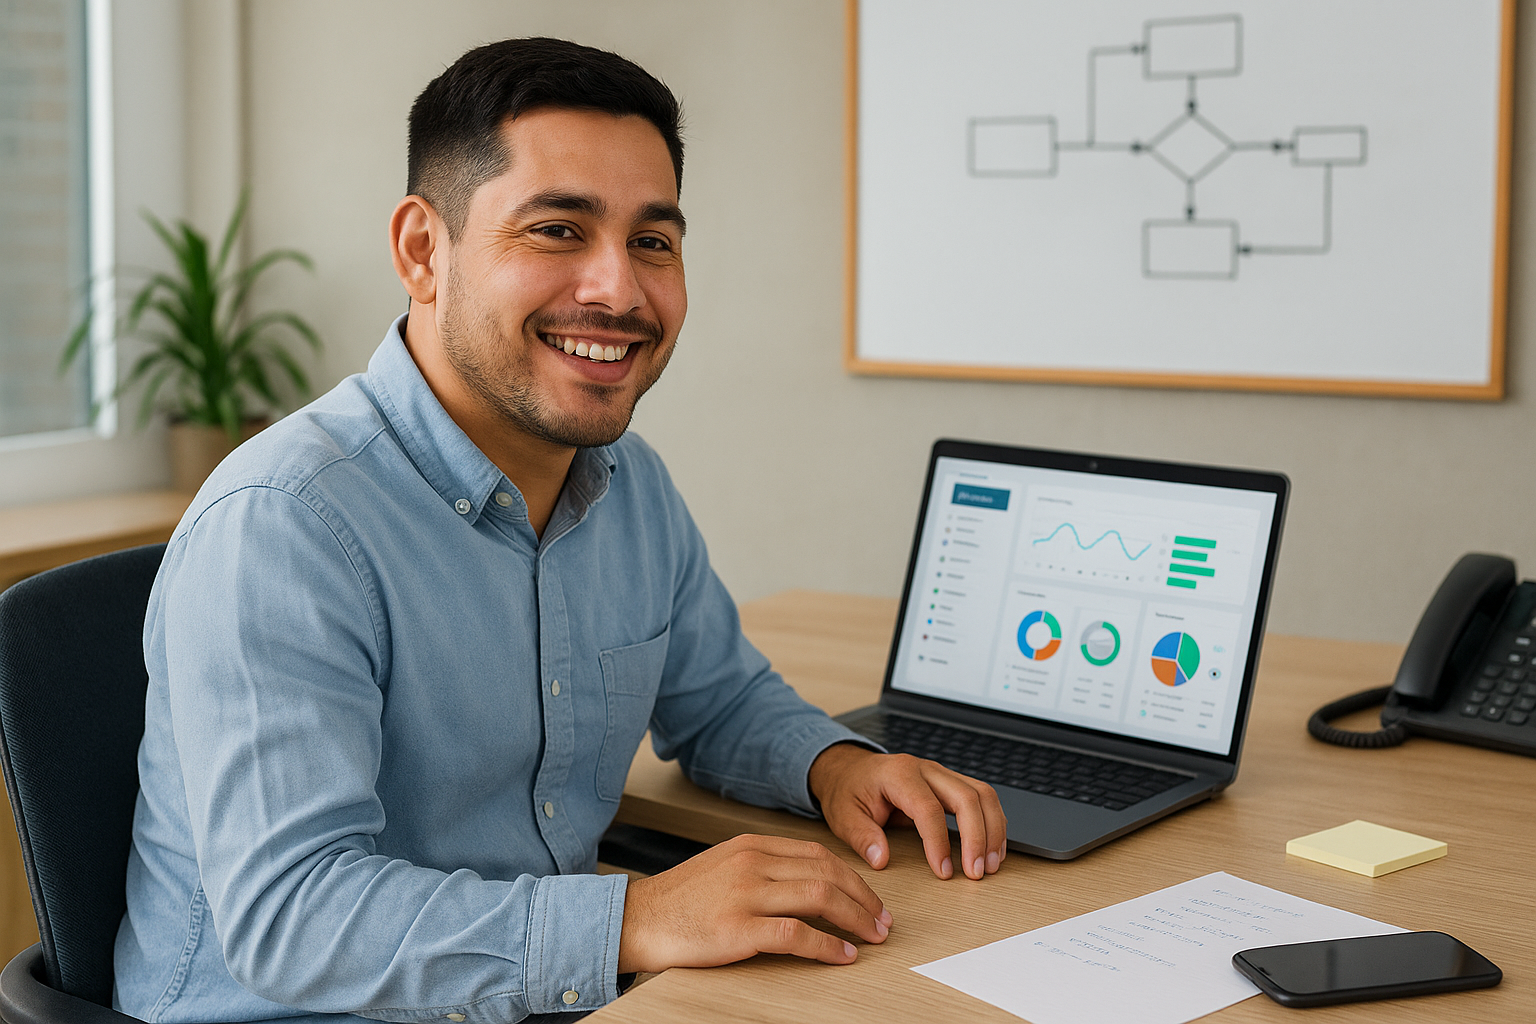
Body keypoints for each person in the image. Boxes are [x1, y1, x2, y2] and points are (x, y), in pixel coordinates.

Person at [115, 37, 1007, 1023]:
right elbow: (294, 918)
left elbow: (718, 700)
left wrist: (835, 765)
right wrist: (636, 914)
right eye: (556, 230)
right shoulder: (284, 526)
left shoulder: (630, 488)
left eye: (654, 241)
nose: (619, 291)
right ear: (423, 251)